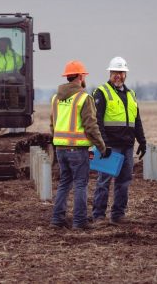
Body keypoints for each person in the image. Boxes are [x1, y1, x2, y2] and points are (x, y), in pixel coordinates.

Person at [50, 60, 110, 230]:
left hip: (60, 148)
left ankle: (57, 220)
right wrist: (102, 147)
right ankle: (79, 222)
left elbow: (52, 124)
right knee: (80, 184)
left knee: (64, 183)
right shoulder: (83, 97)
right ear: (80, 76)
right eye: (84, 75)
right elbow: (91, 126)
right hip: (77, 150)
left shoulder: (56, 98)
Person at [91, 56, 147, 225]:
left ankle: (118, 214)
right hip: (110, 146)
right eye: (115, 72)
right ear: (110, 73)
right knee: (104, 181)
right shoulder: (101, 92)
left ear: (125, 75)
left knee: (124, 181)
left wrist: (142, 141)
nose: (118, 76)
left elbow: (136, 120)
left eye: (121, 73)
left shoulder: (131, 94)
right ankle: (99, 215)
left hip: (127, 145)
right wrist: (104, 144)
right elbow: (97, 121)